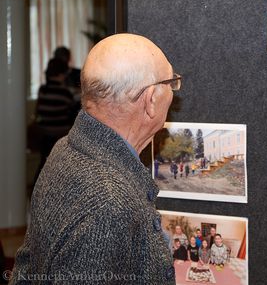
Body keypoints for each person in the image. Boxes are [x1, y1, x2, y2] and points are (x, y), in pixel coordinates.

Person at [11, 34, 179, 284]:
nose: (175, 91)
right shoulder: (108, 201)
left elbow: (29, 263)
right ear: (151, 99)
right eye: (171, 82)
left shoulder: (67, 149)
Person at [34, 58, 76, 183]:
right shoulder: (65, 92)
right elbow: (72, 110)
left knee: (42, 163)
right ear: (61, 74)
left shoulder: (42, 90)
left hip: (44, 134)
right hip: (59, 134)